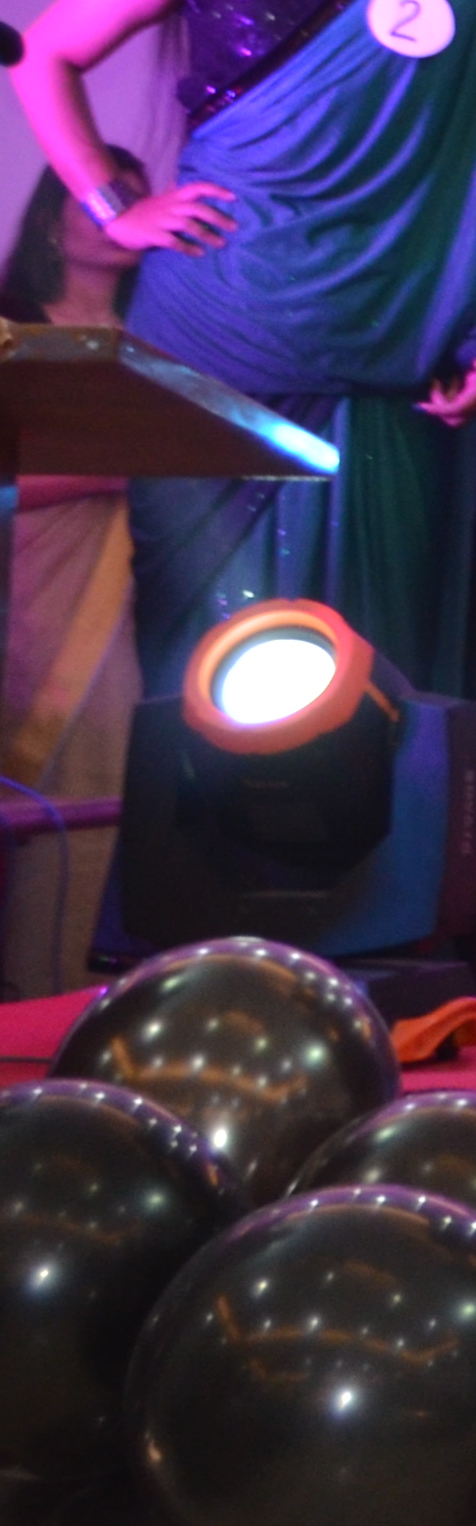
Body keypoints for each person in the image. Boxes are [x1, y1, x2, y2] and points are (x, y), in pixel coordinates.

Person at [4, 0, 476, 993]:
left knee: (383, 645)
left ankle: (386, 943)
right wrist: (116, 203)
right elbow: (48, 51)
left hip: (391, 352)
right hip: (219, 325)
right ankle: (197, 948)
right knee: (205, 642)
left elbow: (475, 175)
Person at [4, 164, 147, 992]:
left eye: (137, 195)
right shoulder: (14, 336)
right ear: (52, 224)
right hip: (35, 596)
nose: (124, 211)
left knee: (110, 792)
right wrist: (116, 470)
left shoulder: (163, 335)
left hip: (140, 591)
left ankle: (67, 1000)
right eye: (103, 195)